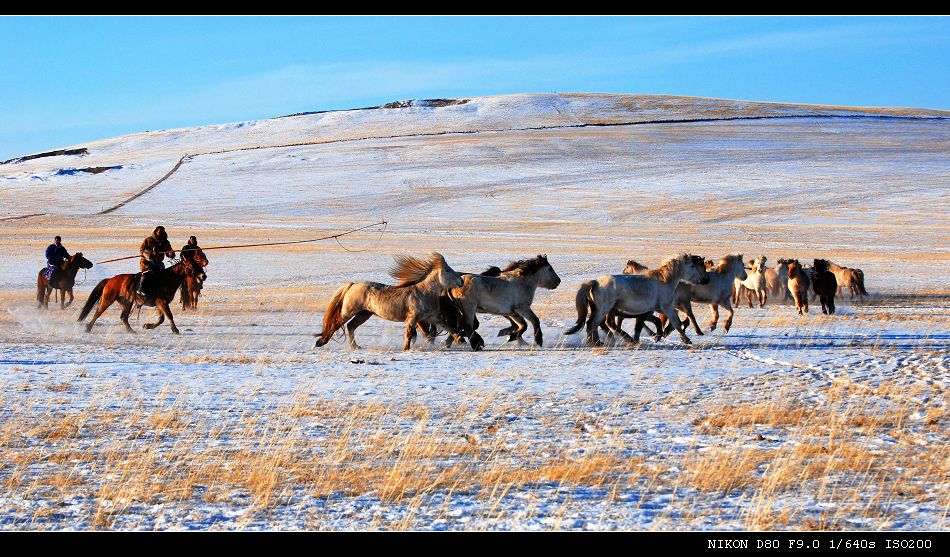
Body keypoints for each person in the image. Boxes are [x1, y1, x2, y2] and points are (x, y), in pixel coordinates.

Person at [137, 226, 175, 301]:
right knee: (148, 273)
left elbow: (169, 252)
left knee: (163, 275)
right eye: (159, 231)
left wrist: (171, 254)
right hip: (147, 262)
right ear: (156, 231)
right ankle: (140, 289)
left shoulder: (165, 242)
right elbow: (142, 250)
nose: (161, 233)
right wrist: (150, 254)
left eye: (163, 231)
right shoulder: (148, 240)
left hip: (158, 263)